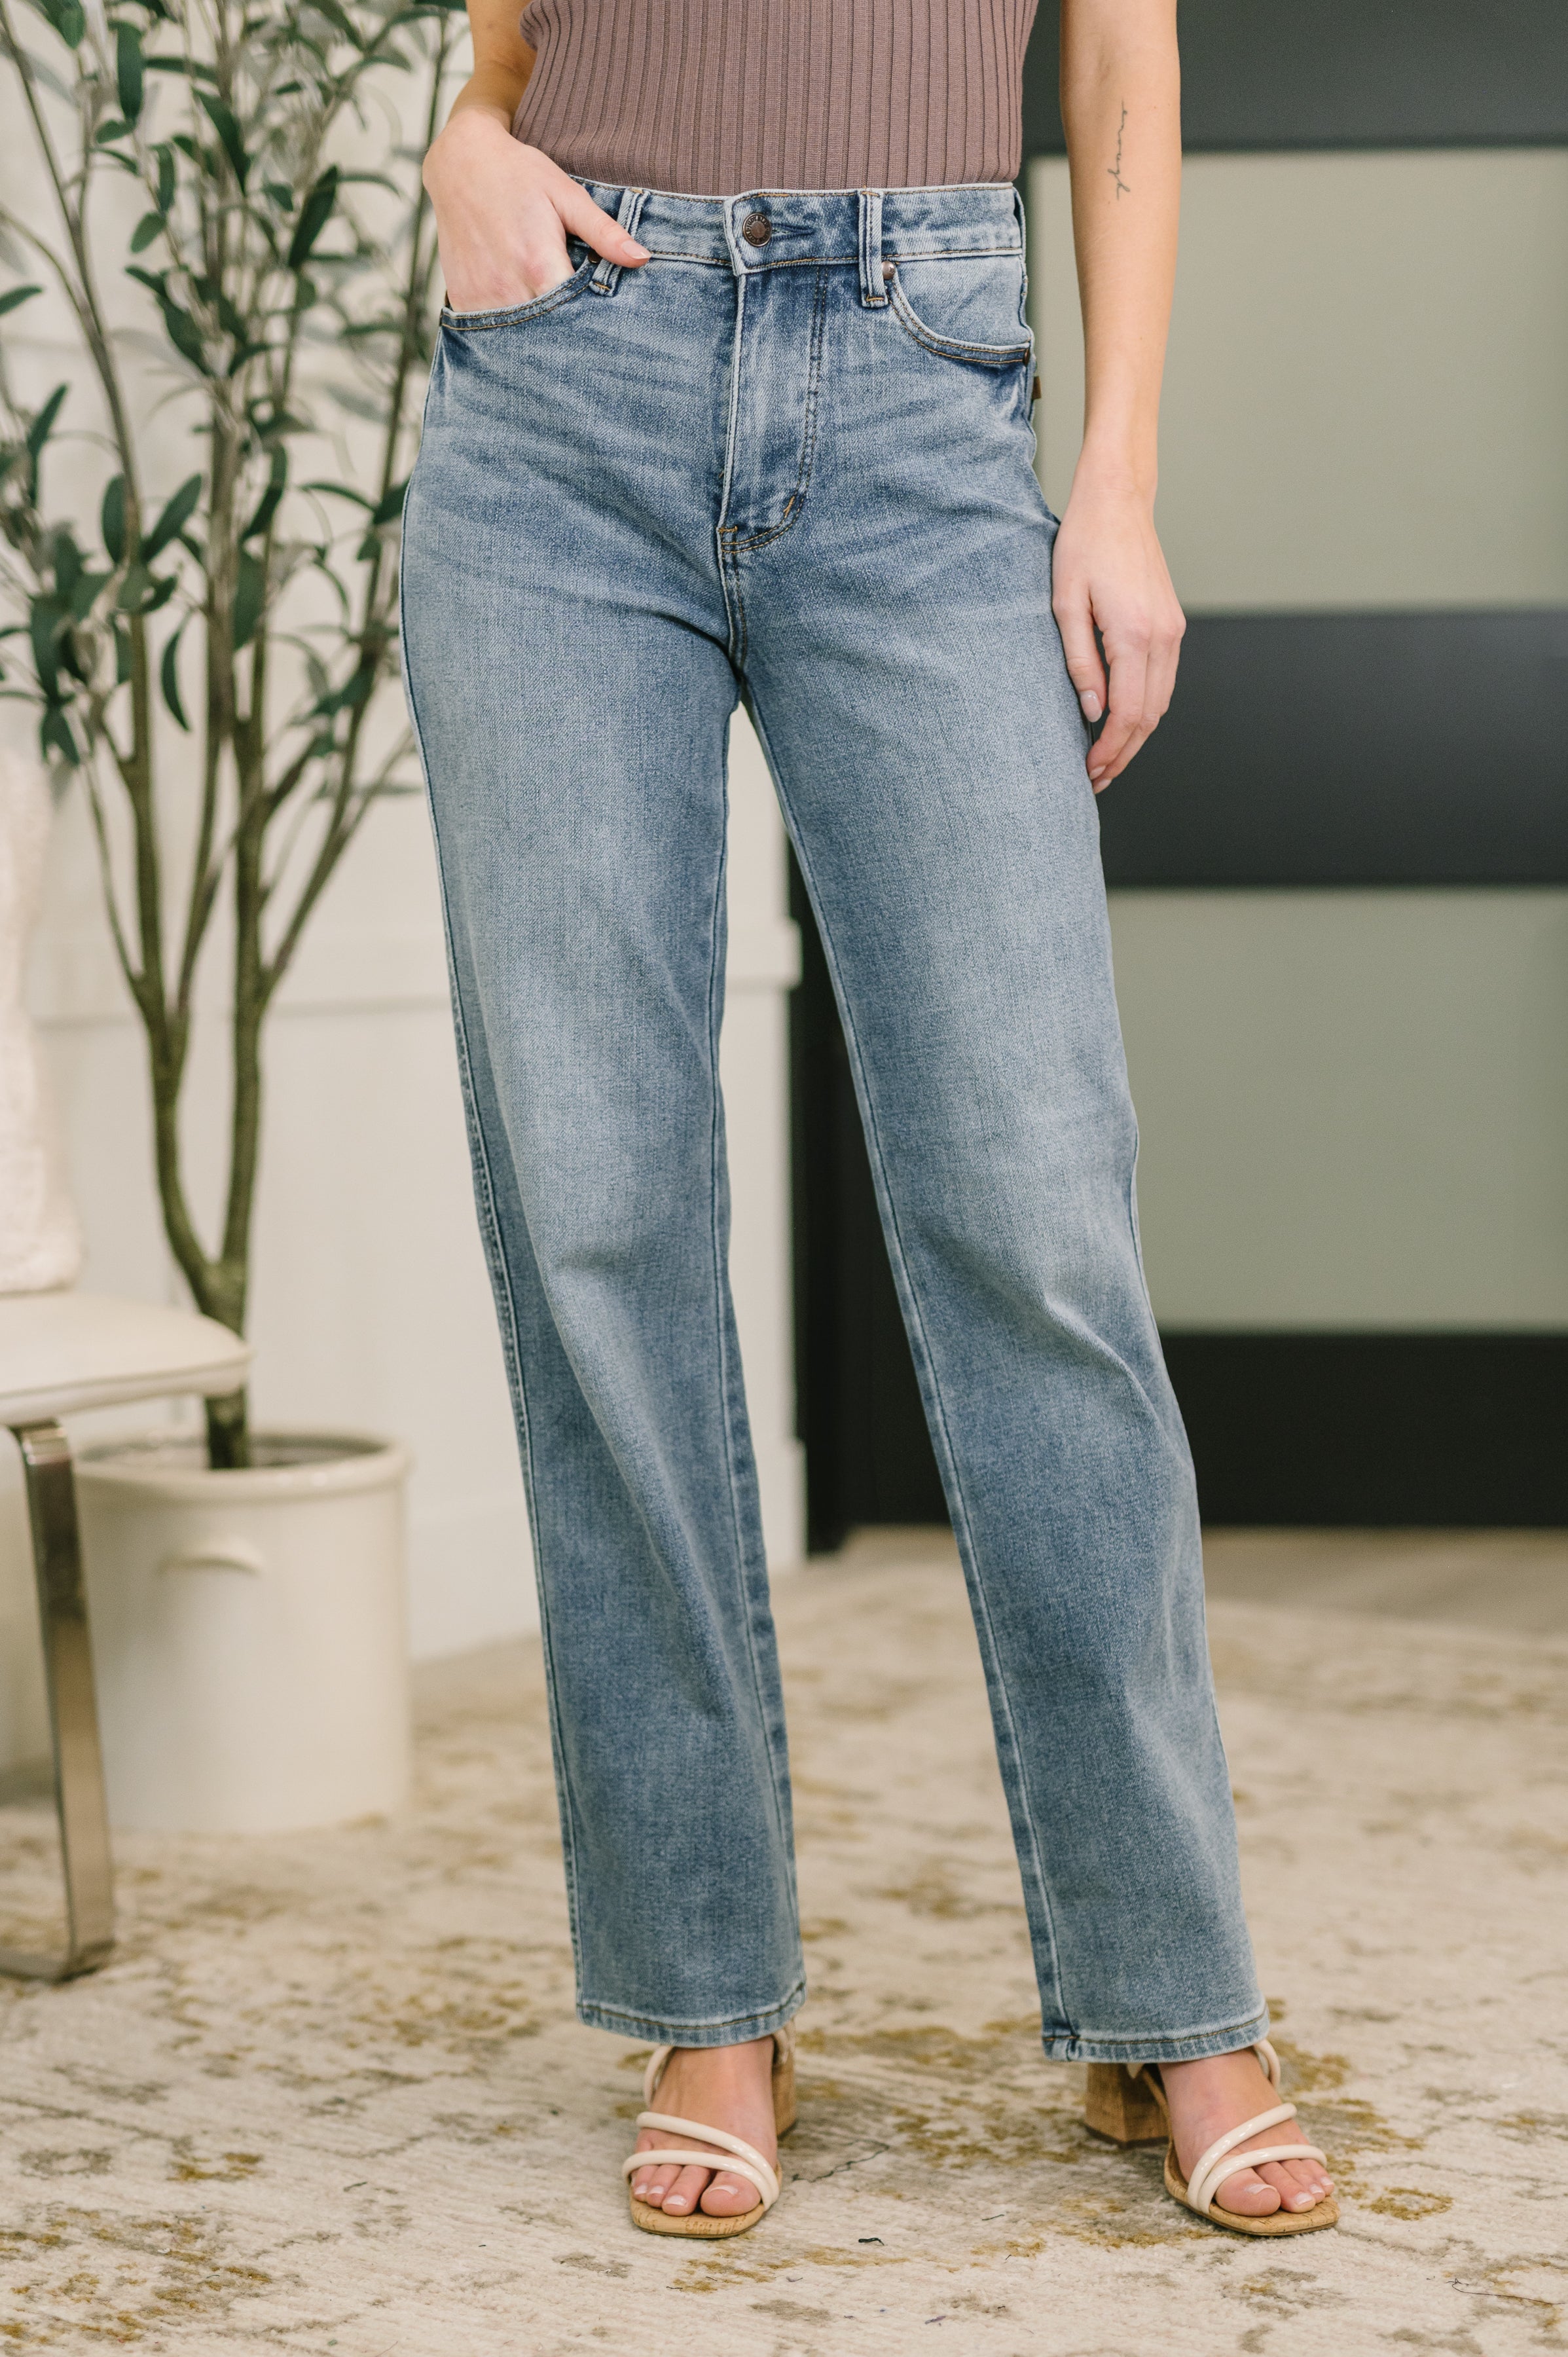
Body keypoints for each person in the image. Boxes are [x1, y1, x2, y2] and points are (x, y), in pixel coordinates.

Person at [402, 0, 1338, 2242]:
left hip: (923, 371)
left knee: (1030, 1211)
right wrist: (457, 137)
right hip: (561, 397)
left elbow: (1118, 60)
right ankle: (704, 1989)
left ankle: (1166, 1994)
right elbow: (513, 37)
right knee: (595, 1213)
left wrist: (1111, 477)